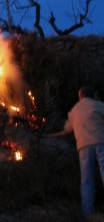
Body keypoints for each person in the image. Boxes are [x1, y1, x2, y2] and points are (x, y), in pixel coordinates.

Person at [47, 86, 104, 216]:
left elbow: (66, 130)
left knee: (86, 181)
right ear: (92, 94)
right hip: (101, 143)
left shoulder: (74, 111)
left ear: (80, 96)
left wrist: (50, 135)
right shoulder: (99, 105)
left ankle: (87, 213)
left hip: (83, 147)